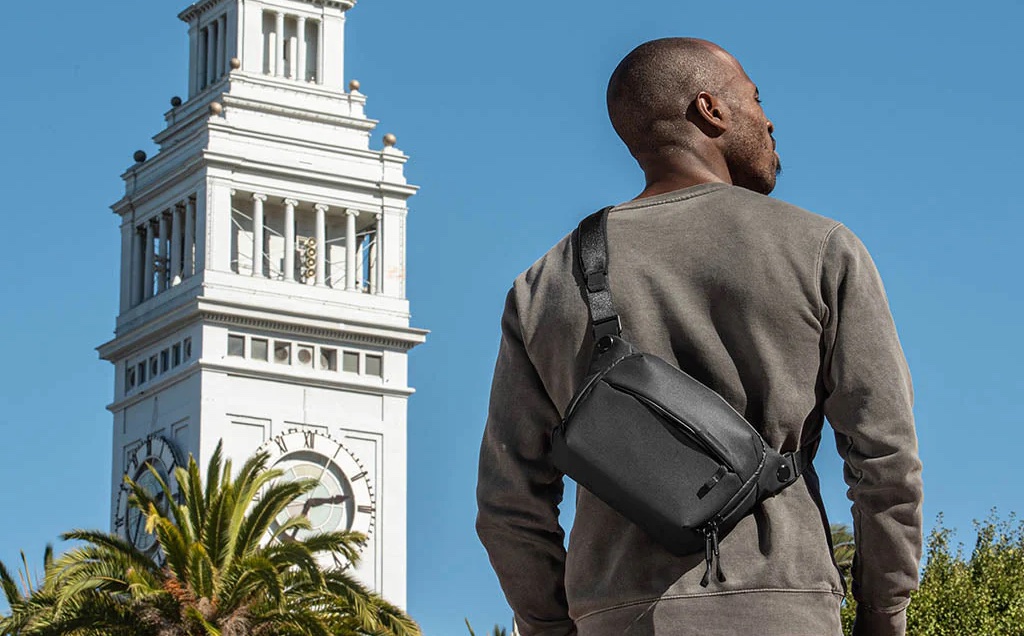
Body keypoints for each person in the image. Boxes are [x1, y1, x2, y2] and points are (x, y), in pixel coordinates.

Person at [475, 37, 922, 636]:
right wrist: (883, 611)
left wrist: (557, 625)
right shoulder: (819, 249)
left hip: (615, 617)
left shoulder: (545, 284)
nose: (768, 120)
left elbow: (509, 502)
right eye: (755, 99)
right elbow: (884, 457)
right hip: (779, 609)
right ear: (710, 110)